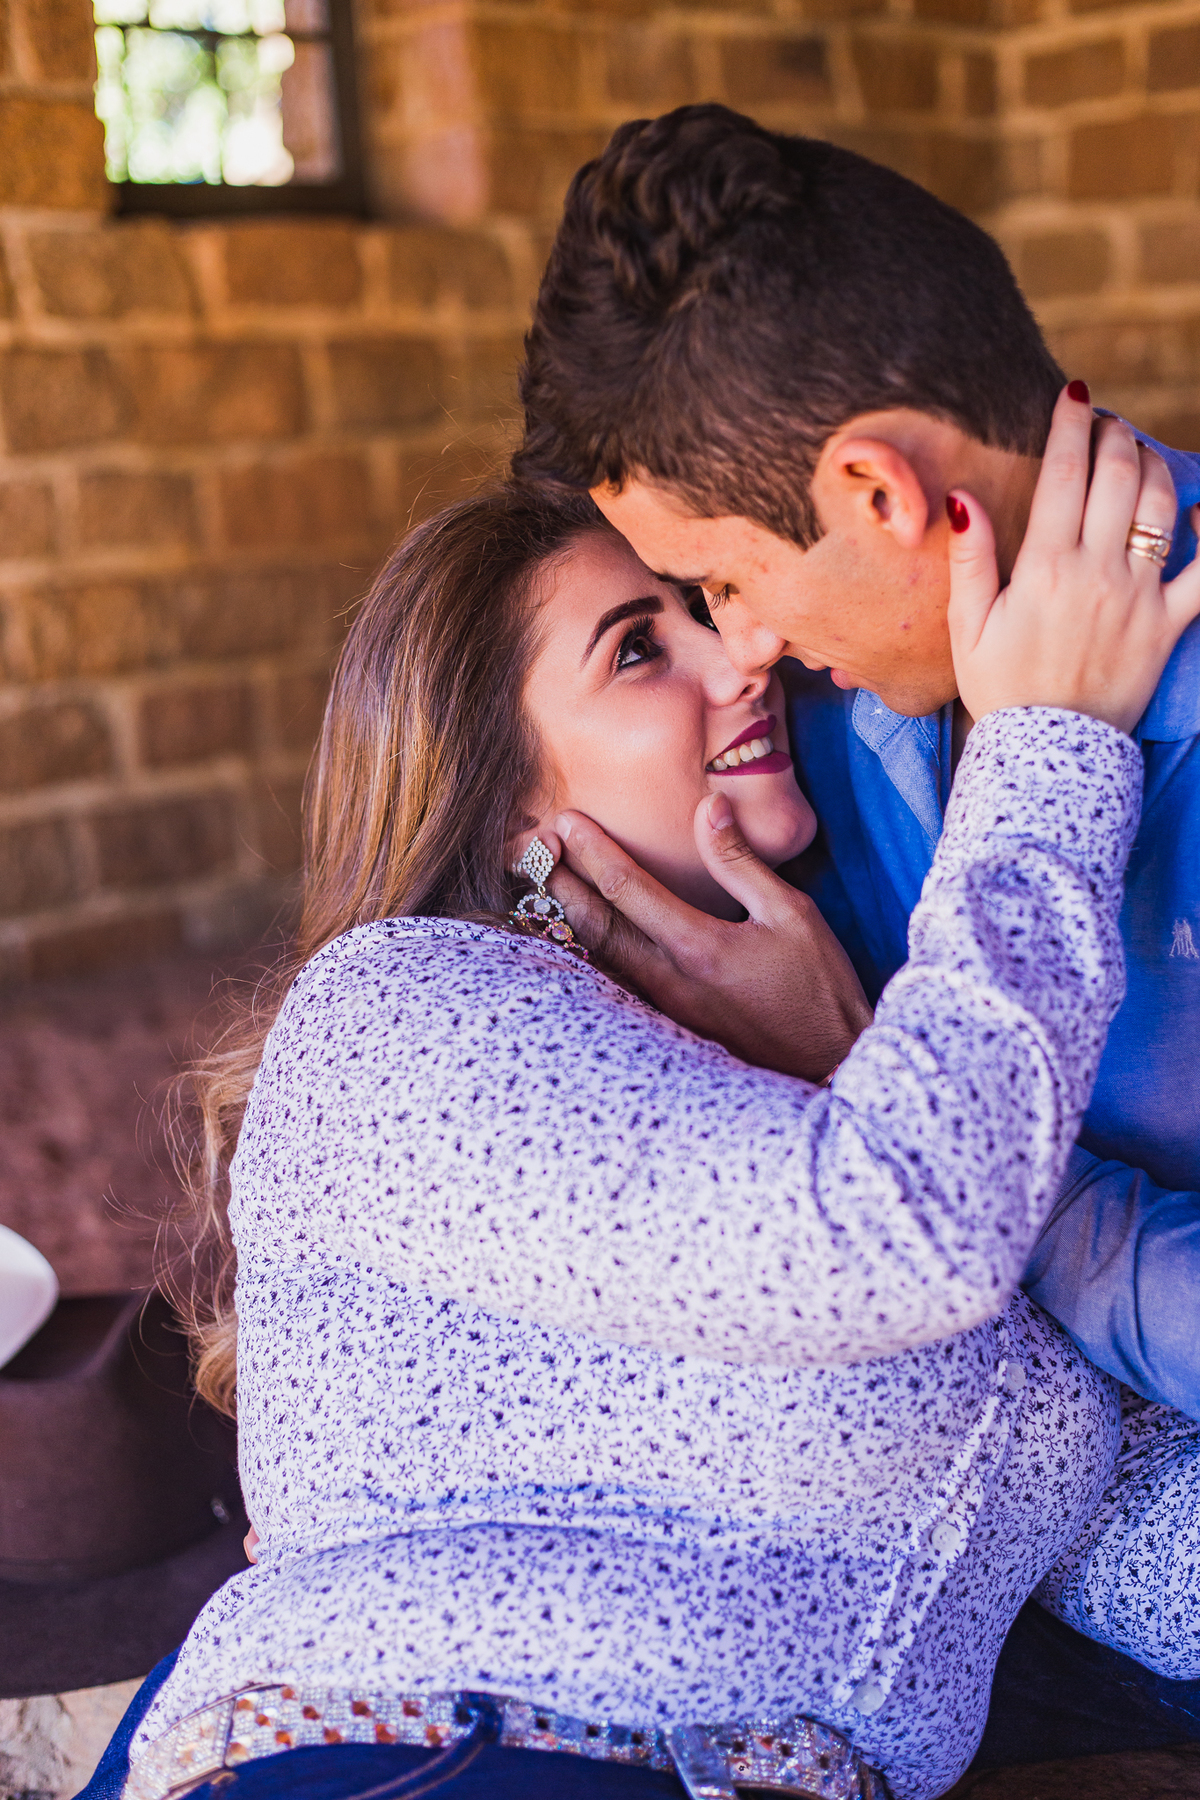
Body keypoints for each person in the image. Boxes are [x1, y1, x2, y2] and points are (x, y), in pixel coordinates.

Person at [82, 407, 1200, 1800]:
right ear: (504, 814)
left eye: (711, 606)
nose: (745, 659)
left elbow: (1104, 1512)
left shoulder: (864, 1088)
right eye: (637, 647)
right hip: (421, 1762)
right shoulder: (400, 1015)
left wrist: (842, 1073)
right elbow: (891, 1234)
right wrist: (1051, 747)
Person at [514, 102, 1200, 1431]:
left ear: (878, 495)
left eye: (725, 577)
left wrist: (943, 1140)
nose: (742, 645)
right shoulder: (826, 737)